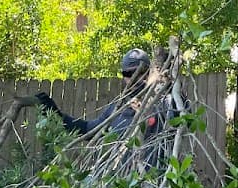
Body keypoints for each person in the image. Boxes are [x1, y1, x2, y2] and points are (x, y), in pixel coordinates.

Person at [35, 48, 167, 143]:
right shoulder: (116, 109)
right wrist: (56, 115)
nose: (134, 78)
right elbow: (88, 130)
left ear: (149, 73)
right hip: (124, 177)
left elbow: (182, 117)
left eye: (140, 72)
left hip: (156, 179)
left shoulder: (162, 103)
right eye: (128, 74)